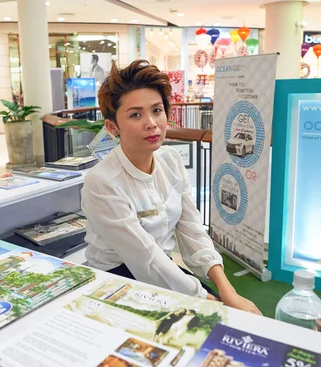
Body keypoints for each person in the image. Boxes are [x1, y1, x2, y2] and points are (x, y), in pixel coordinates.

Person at [81, 60, 261, 315]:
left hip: (162, 266)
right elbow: (144, 257)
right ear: (112, 127)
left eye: (157, 110)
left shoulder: (171, 160)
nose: (151, 123)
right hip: (116, 279)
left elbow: (191, 230)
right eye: (135, 115)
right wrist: (211, 302)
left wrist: (227, 290)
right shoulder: (102, 182)